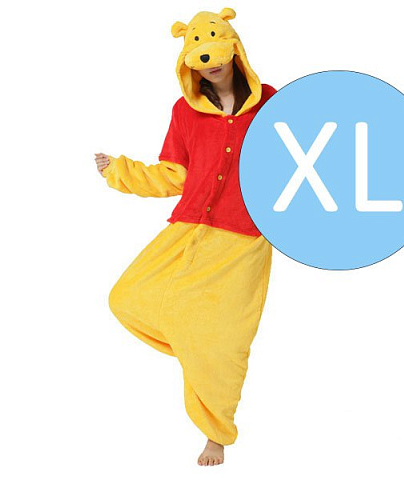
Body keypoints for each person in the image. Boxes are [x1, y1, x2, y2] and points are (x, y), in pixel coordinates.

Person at [94, 8, 277, 467]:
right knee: (126, 297)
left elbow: (301, 158)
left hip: (244, 236)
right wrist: (120, 171)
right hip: (190, 226)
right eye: (200, 57)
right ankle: (192, 349)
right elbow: (174, 174)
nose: (210, 63)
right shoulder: (184, 111)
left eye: (217, 52)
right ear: (189, 62)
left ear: (234, 50)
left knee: (227, 342)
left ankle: (216, 434)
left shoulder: (272, 102)